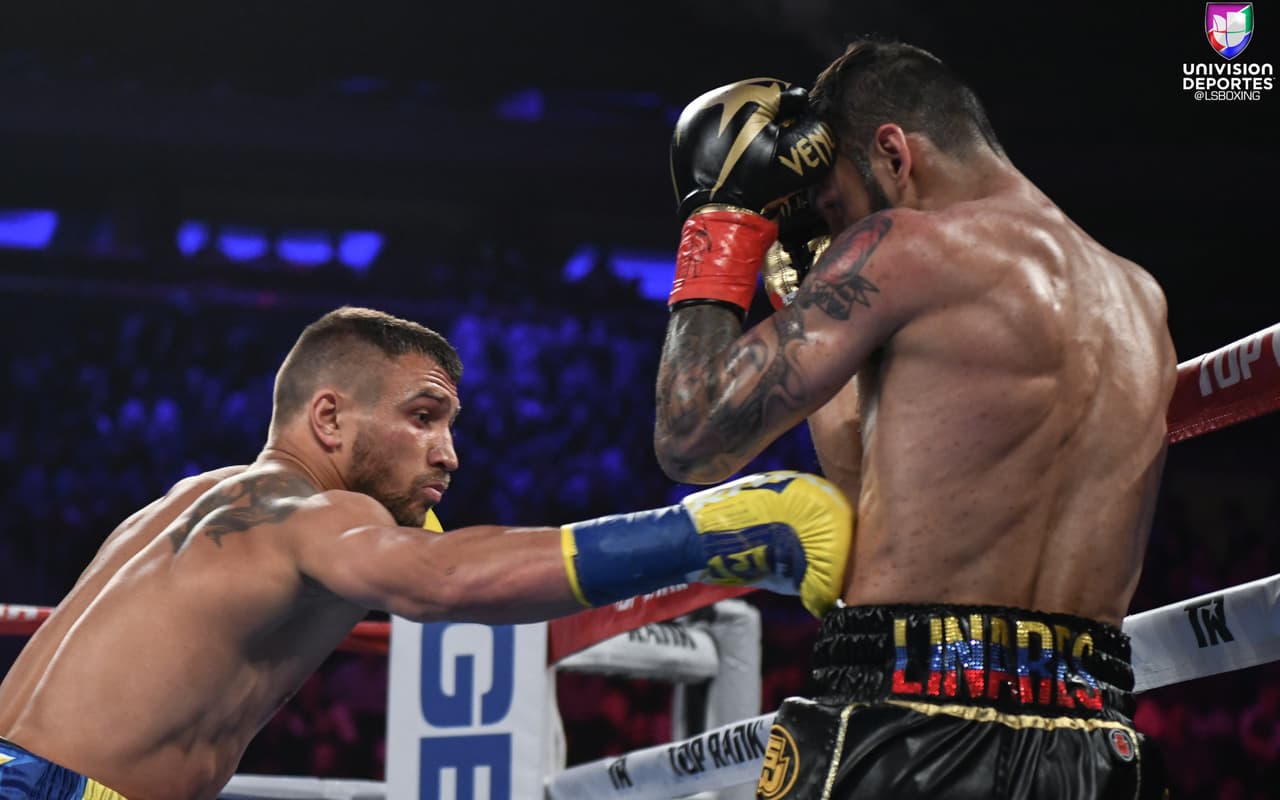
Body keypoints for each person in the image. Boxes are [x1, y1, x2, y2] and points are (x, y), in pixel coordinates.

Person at [0, 306, 853, 800]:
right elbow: (445, 584)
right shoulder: (310, 516)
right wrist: (700, 536)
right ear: (329, 419)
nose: (449, 453)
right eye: (421, 418)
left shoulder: (186, 502)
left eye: (449, 426)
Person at [656, 40, 1176, 798]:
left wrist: (722, 219)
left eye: (834, 209)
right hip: (1095, 736)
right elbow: (877, 482)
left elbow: (691, 433)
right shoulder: (1140, 298)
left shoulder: (902, 247)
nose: (837, 236)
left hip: (906, 721)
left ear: (893, 153)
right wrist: (799, 285)